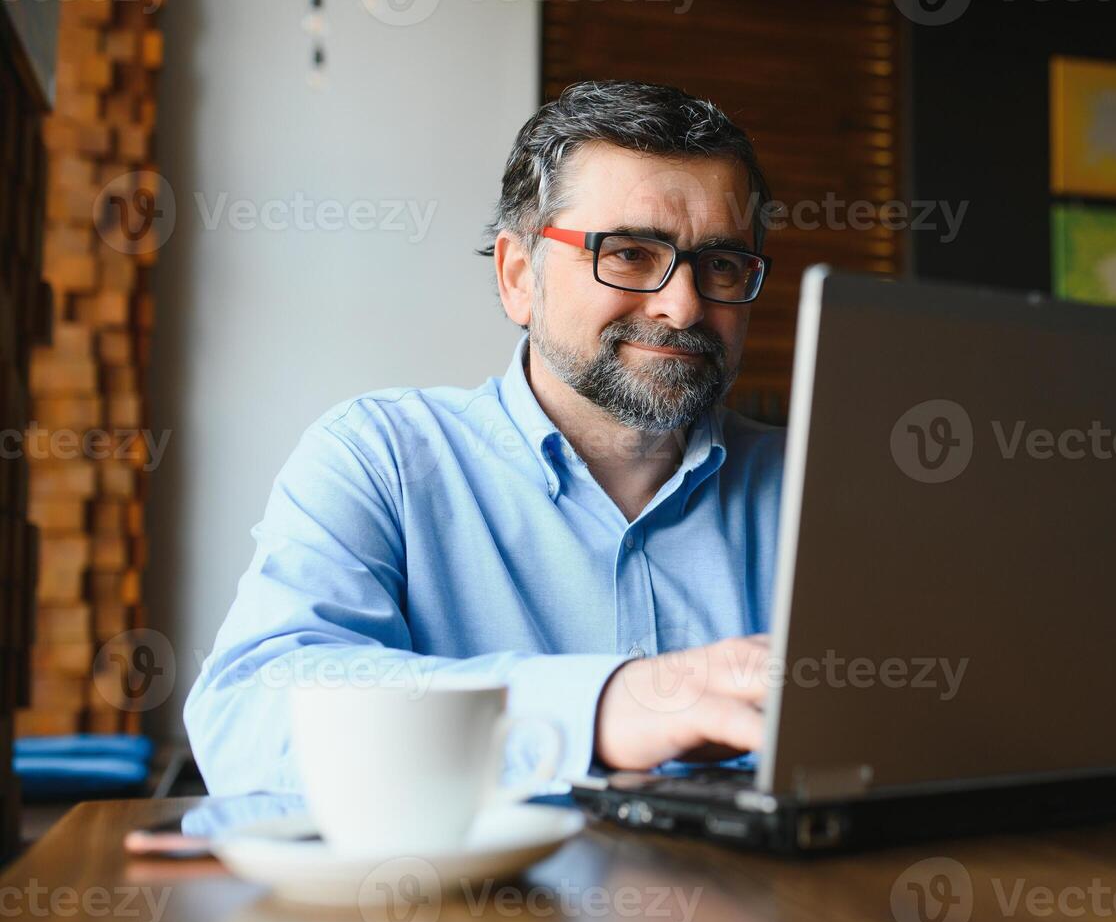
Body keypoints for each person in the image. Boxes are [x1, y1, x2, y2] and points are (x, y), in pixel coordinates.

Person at [183, 80, 786, 795]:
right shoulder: (380, 458)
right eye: (627, 253)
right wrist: (598, 708)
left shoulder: (817, 485)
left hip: (761, 904)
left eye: (720, 264)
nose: (682, 305)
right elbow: (249, 716)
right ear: (517, 276)